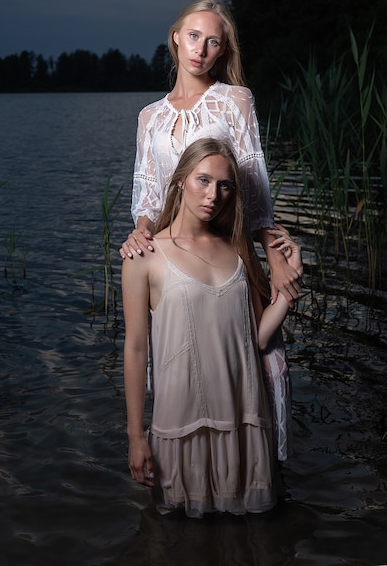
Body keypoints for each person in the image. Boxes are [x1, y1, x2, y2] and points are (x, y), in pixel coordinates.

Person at [120, 0, 302, 460]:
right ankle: (185, 463)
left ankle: (258, 471)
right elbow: (147, 190)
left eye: (213, 41)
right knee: (183, 363)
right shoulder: (149, 117)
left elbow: (255, 185)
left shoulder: (234, 100)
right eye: (194, 36)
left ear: (222, 52)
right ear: (176, 37)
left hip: (232, 250)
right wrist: (140, 230)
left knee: (256, 358)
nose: (201, 49)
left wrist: (276, 259)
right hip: (176, 259)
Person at [123, 138, 303, 518]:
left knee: (251, 537)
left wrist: (290, 287)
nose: (213, 195)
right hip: (181, 424)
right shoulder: (144, 256)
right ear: (179, 181)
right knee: (179, 539)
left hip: (244, 420)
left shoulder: (237, 249)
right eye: (203, 181)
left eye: (224, 186)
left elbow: (255, 337)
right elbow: (136, 349)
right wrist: (136, 436)